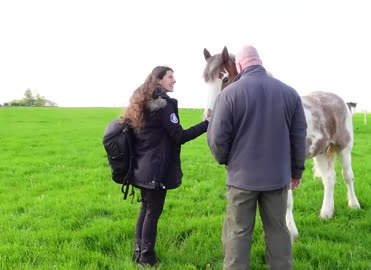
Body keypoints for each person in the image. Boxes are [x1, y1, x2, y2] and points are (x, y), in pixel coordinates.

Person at [207, 45, 307, 270]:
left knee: (237, 232)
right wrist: (296, 172)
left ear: (239, 65)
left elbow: (216, 139)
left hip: (241, 180)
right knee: (278, 230)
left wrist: (227, 161)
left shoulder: (228, 95)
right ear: (260, 62)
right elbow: (299, 139)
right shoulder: (290, 93)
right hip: (277, 179)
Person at [122, 66, 209, 267]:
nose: (174, 80)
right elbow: (179, 136)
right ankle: (146, 258)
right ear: (159, 80)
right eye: (170, 77)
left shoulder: (142, 103)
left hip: (141, 168)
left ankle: (138, 252)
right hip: (156, 169)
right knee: (152, 211)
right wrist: (206, 124)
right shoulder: (163, 105)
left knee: (146, 209)